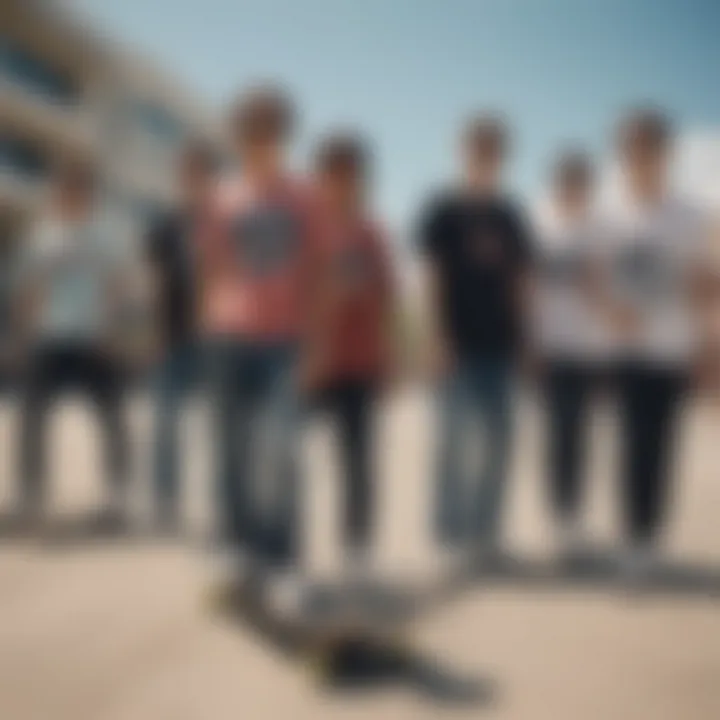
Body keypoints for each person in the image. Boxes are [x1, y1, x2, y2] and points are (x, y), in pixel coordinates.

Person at [199, 85, 319, 605]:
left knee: (280, 452)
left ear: (283, 138)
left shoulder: (304, 196)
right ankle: (237, 549)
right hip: (229, 337)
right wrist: (212, 320)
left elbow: (319, 271)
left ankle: (283, 561)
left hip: (284, 341)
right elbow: (215, 266)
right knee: (230, 449)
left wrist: (317, 342)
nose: (259, 144)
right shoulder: (224, 197)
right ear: (239, 139)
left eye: (269, 134)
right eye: (250, 135)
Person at [417, 115, 533, 566]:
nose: (485, 156)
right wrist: (437, 335)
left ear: (502, 157)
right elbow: (433, 275)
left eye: (493, 149)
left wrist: (525, 341)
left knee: (499, 444)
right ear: (462, 151)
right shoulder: (444, 209)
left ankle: (486, 535)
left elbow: (519, 282)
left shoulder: (510, 215)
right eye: (477, 147)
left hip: (501, 346)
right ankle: (450, 535)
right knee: (453, 443)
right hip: (457, 344)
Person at [603, 108, 714, 579]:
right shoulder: (609, 214)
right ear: (623, 155)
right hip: (625, 351)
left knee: (663, 445)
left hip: (672, 348)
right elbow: (596, 278)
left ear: (666, 154)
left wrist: (706, 347)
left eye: (648, 147)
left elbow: (704, 283)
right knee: (629, 446)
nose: (640, 157)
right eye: (631, 148)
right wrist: (611, 313)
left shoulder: (691, 216)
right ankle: (631, 540)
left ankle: (651, 539)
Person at [13, 160, 131, 530]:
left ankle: (115, 497)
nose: (71, 198)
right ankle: (31, 495)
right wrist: (25, 334)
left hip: (94, 338)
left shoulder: (105, 235)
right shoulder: (43, 236)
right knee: (32, 416)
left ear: (90, 197)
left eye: (79, 192)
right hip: (50, 337)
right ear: (58, 194)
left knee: (111, 416)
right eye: (65, 191)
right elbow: (30, 287)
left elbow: (116, 285)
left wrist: (112, 330)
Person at [309, 132, 395, 585]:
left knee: (357, 463)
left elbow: (385, 298)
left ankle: (357, 550)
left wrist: (388, 356)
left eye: (351, 175)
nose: (342, 183)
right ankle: (281, 547)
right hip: (306, 365)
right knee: (285, 457)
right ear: (319, 177)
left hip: (357, 364)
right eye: (333, 173)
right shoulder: (304, 228)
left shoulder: (372, 233)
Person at [533, 151, 609, 562]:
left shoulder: (599, 231)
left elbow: (606, 289)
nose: (573, 191)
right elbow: (528, 290)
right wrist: (529, 345)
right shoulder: (540, 226)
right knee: (556, 436)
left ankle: (573, 520)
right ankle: (558, 522)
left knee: (579, 436)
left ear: (588, 189)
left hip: (588, 350)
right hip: (551, 348)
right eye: (567, 183)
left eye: (580, 184)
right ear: (557, 185)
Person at [146, 141, 217, 532]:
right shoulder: (164, 226)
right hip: (173, 336)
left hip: (219, 340)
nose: (194, 182)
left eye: (201, 175)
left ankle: (223, 505)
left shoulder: (227, 223)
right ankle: (165, 502)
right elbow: (156, 283)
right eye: (187, 175)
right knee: (165, 424)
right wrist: (154, 334)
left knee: (222, 427)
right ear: (180, 180)